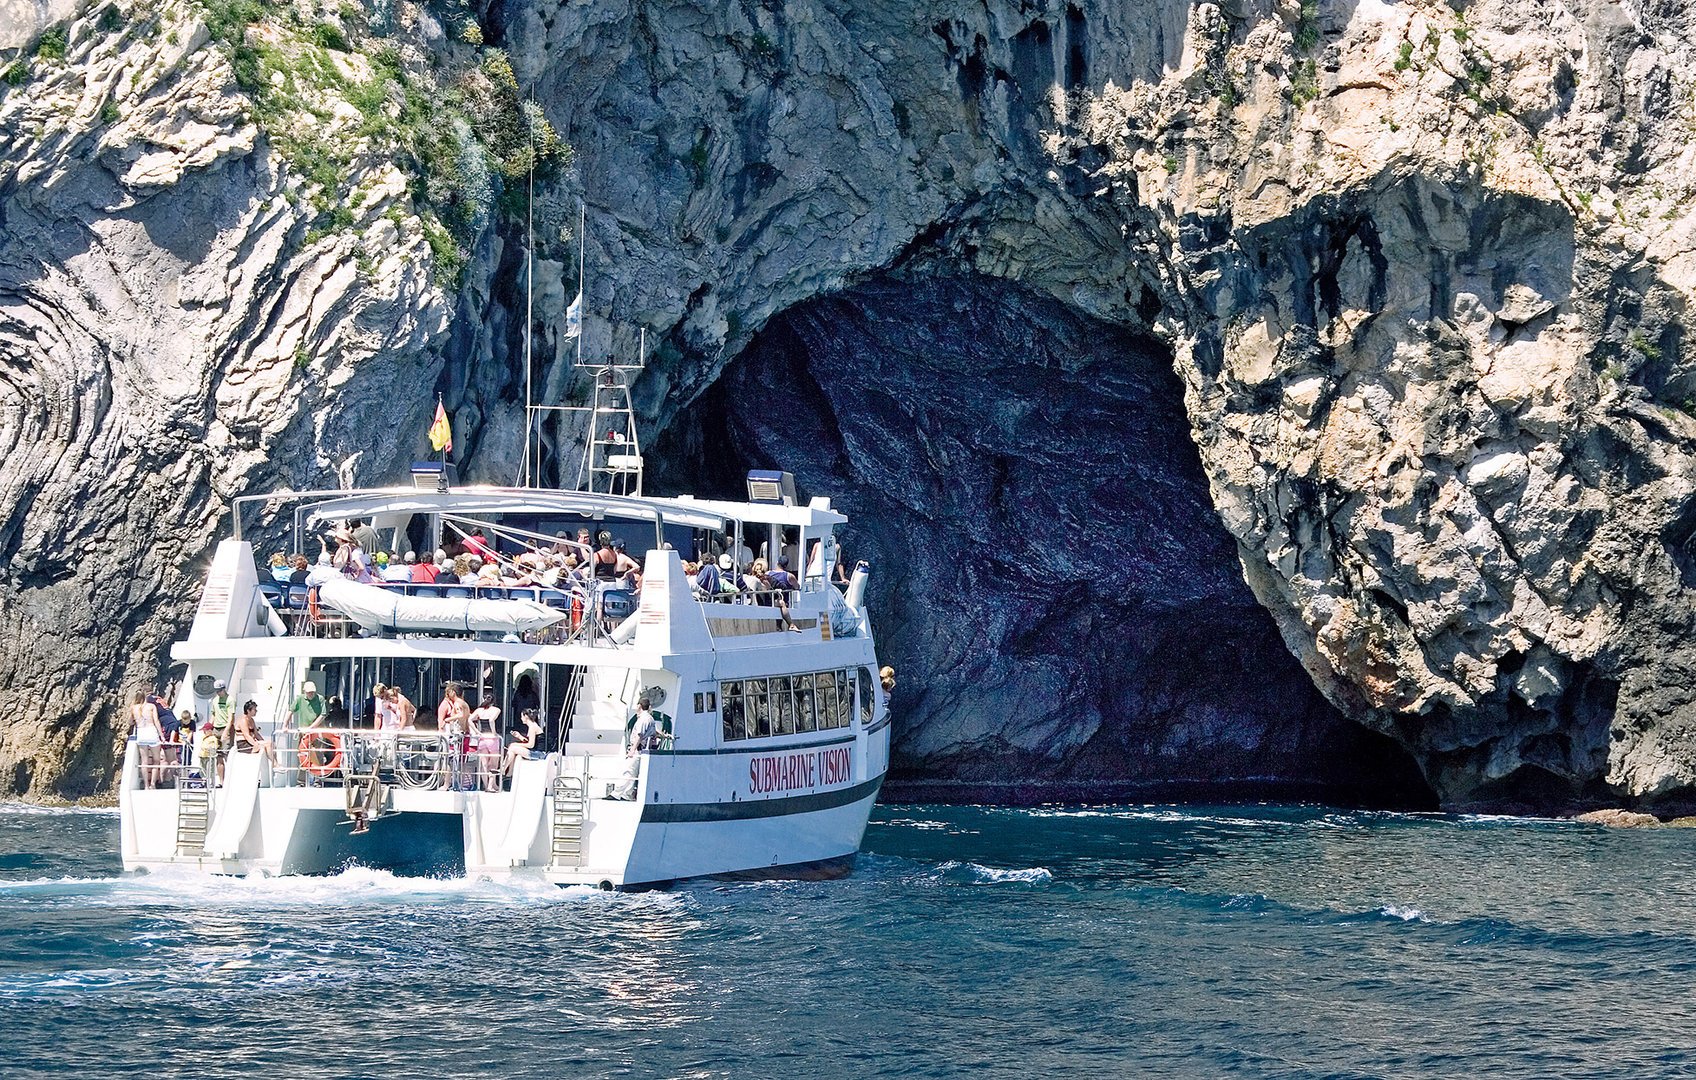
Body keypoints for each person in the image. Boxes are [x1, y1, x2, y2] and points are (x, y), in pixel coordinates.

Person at [130, 691, 163, 789]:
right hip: (152, 732)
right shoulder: (151, 706)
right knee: (156, 760)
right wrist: (162, 736)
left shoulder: (133, 708)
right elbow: (156, 721)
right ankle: (153, 784)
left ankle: (146, 785)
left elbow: (130, 722)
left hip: (141, 733)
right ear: (146, 697)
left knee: (144, 762)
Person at [470, 695, 503, 792]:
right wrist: (494, 732)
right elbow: (491, 720)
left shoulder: (479, 710)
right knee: (493, 764)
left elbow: (470, 720)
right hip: (492, 739)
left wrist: (477, 731)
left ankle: (485, 785)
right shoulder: (496, 710)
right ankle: (490, 786)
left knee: (483, 764)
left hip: (482, 738)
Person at [232, 699, 278, 765]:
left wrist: (263, 741)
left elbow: (256, 734)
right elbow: (247, 735)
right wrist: (256, 744)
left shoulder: (251, 720)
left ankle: (275, 763)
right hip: (244, 745)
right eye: (254, 710)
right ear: (248, 711)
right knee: (266, 745)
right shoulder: (243, 720)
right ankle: (275, 764)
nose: (256, 711)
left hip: (250, 742)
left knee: (271, 744)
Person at [502, 708, 544, 776]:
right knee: (512, 749)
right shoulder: (532, 726)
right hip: (534, 751)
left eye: (522, 716)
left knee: (512, 747)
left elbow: (531, 745)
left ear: (526, 716)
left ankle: (504, 769)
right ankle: (509, 772)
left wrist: (516, 744)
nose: (521, 718)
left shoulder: (532, 727)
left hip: (538, 753)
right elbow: (529, 741)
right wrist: (519, 737)